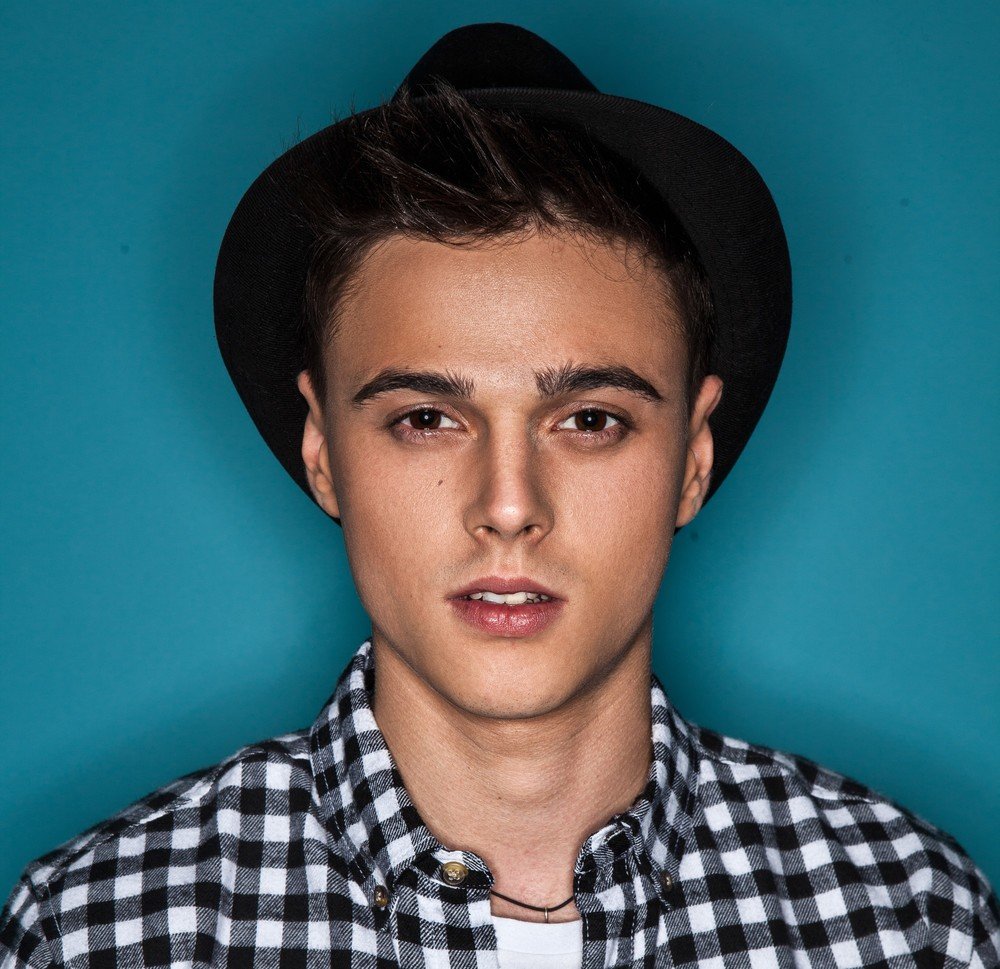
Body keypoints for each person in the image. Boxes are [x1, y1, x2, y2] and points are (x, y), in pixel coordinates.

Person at [1, 21, 996, 969]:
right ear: (321, 450)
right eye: (425, 418)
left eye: (590, 419)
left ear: (694, 456)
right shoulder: (97, 934)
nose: (510, 506)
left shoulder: (911, 919)